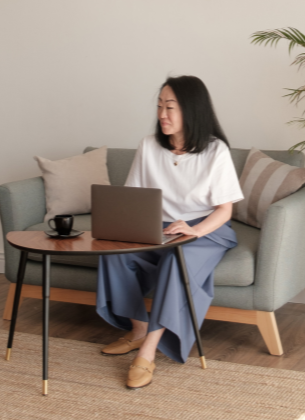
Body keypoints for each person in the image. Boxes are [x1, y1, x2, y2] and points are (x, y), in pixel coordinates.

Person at [96, 75, 244, 389]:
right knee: (113, 255)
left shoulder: (215, 151)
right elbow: (133, 196)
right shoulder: (148, 146)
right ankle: (137, 330)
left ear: (191, 110)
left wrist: (193, 230)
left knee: (177, 262)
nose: (162, 114)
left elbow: (225, 210)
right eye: (160, 106)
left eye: (170, 107)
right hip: (157, 228)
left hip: (204, 230)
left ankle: (148, 351)